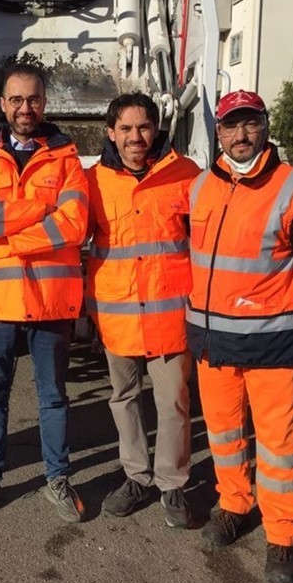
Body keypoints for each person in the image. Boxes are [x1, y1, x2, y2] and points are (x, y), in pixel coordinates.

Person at [187, 90, 293, 583]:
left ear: (265, 125)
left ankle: (282, 535)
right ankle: (234, 504)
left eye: (250, 123)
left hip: (273, 344)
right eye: (231, 125)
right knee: (224, 435)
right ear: (219, 130)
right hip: (214, 344)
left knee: (279, 446)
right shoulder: (199, 188)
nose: (241, 134)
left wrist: (269, 300)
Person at [0, 63, 89, 523]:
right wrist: (39, 208)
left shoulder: (68, 160)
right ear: (2, 105)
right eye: (15, 100)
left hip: (51, 302)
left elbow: (75, 224)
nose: (24, 108)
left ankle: (57, 477)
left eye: (32, 99)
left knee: (53, 396)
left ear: (44, 103)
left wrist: (14, 234)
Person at [85, 93, 200, 527]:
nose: (136, 137)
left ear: (156, 129)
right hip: (118, 318)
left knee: (173, 402)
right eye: (127, 129)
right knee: (124, 399)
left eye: (144, 127)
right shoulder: (92, 182)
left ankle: (172, 484)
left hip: (170, 317)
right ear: (111, 133)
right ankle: (136, 476)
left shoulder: (185, 175)